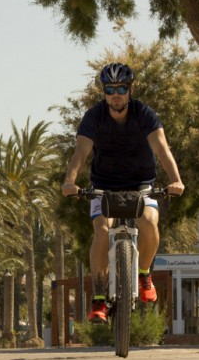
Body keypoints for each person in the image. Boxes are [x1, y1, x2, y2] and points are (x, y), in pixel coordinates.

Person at [61, 63, 185, 323]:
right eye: (109, 89)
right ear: (103, 91)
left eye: (121, 88)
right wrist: (69, 181)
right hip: (102, 185)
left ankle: (143, 275)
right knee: (102, 231)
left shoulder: (145, 114)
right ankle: (98, 300)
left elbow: (162, 149)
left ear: (130, 90)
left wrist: (175, 180)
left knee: (150, 222)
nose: (115, 94)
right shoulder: (94, 116)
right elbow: (80, 152)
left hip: (141, 183)